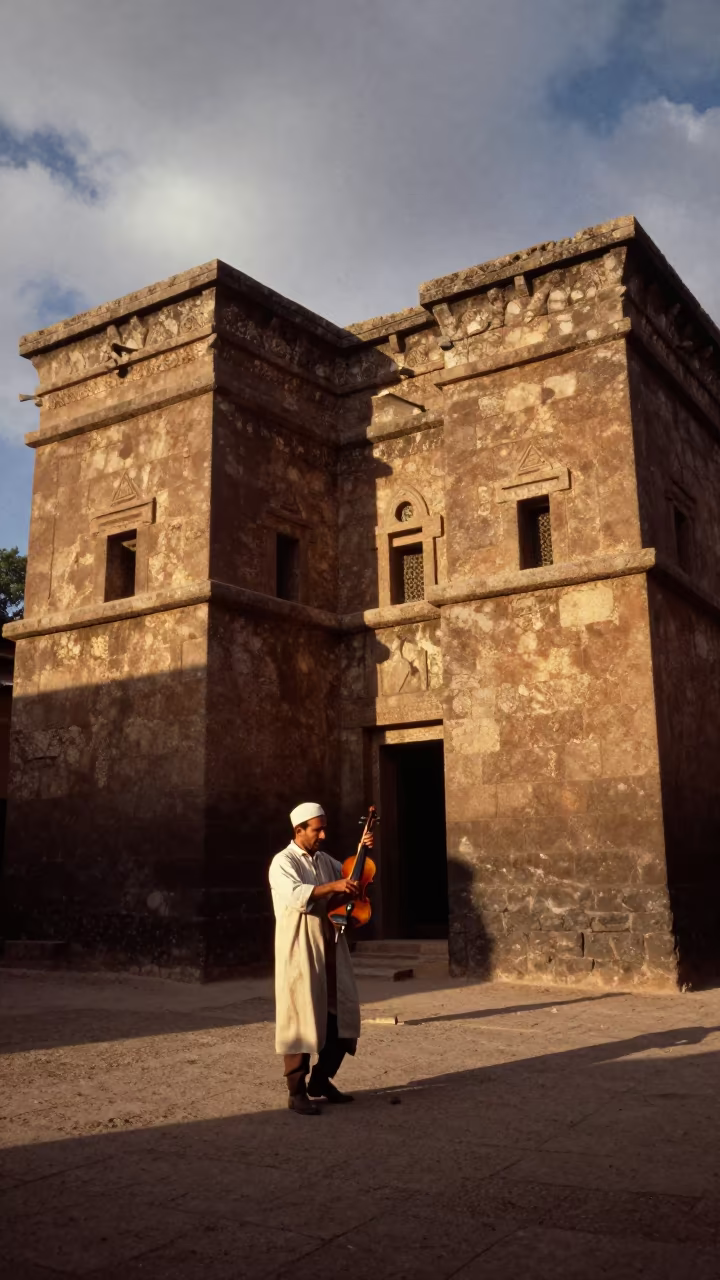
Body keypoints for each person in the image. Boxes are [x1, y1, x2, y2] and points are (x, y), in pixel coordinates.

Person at [268, 802, 373, 1115]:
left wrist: (362, 850)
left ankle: (322, 1080)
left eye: (324, 827)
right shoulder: (282, 862)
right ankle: (296, 1091)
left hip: (331, 946)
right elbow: (298, 895)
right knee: (300, 1018)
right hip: (300, 950)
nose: (323, 834)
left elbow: (349, 882)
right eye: (317, 829)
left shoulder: (325, 860)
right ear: (298, 830)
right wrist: (333, 886)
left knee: (342, 1013)